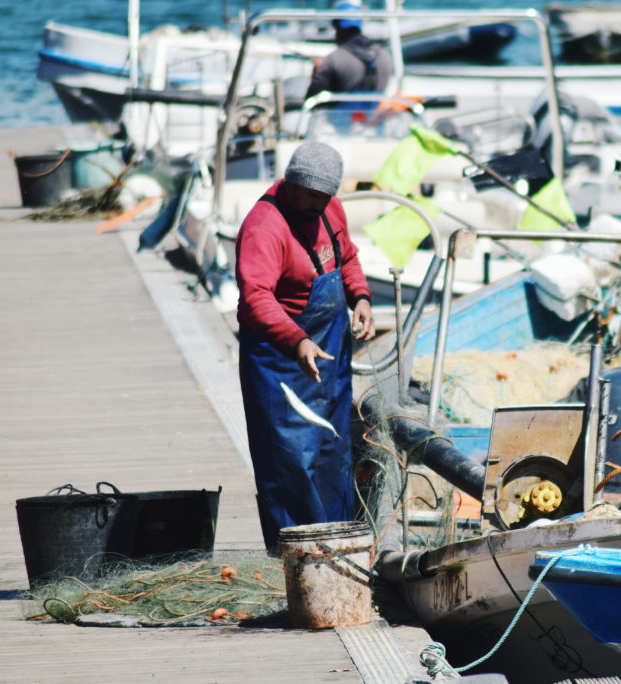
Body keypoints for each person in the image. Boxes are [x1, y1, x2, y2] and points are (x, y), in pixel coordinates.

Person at [235, 141, 375, 552]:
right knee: (290, 459)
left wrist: (361, 298)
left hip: (328, 352)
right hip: (279, 359)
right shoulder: (265, 226)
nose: (317, 203)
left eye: (324, 196)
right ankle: (294, 557)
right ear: (292, 183)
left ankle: (339, 548)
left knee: (332, 450)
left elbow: (346, 258)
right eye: (310, 194)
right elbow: (255, 297)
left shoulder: (331, 210)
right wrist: (296, 341)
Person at [305, 1, 394, 106]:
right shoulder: (385, 55)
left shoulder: (333, 60)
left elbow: (312, 102)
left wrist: (317, 71)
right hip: (375, 121)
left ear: (336, 25)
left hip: (340, 121)